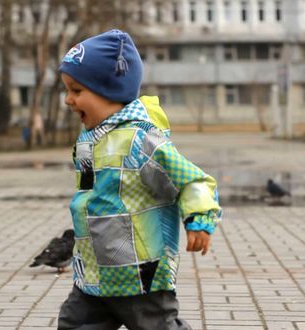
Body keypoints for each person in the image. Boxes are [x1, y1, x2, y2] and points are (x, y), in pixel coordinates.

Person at [57, 29, 223, 330]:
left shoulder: (142, 140)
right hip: (93, 274)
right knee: (73, 325)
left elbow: (193, 180)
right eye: (67, 90)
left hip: (139, 275)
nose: (68, 100)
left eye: (76, 90)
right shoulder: (86, 141)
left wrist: (199, 217)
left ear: (108, 90)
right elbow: (87, 197)